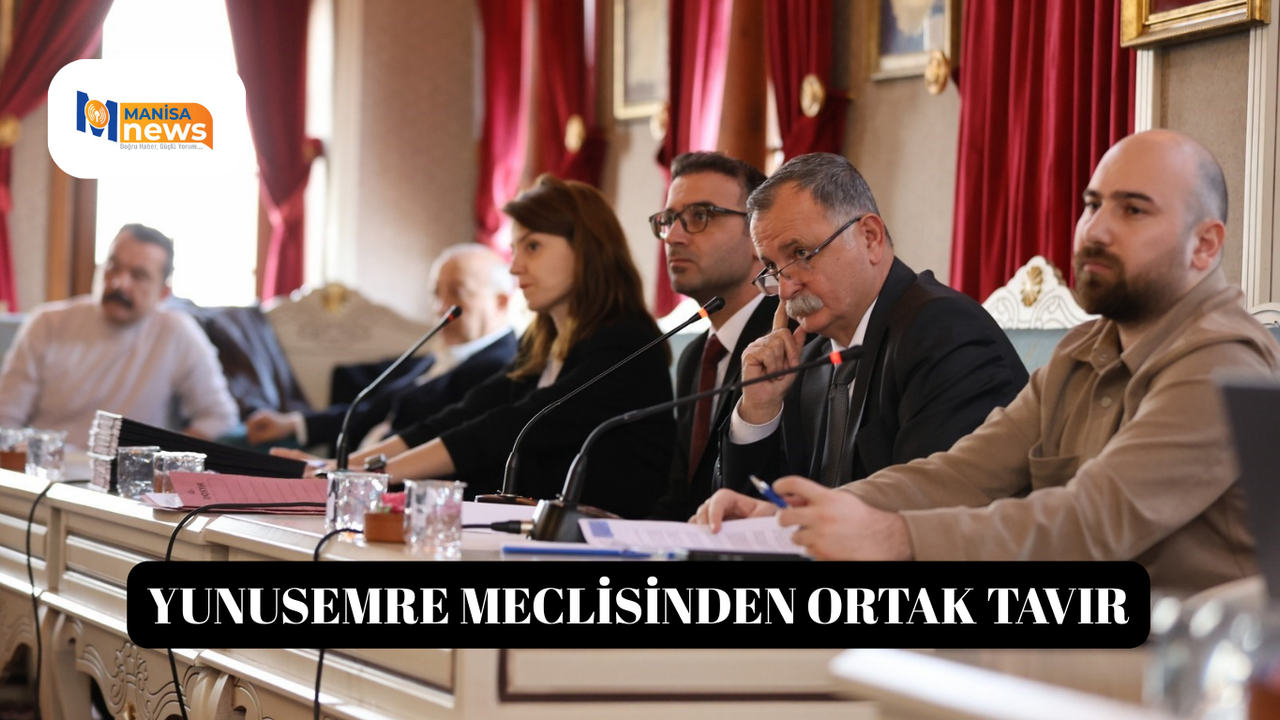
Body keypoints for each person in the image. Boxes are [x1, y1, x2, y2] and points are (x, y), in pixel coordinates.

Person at [695, 130, 1280, 592]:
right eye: (1092, 204)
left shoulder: (1221, 362)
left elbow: (1092, 522)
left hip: (1180, 668)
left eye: (1133, 211)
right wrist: (788, 519)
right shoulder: (1085, 350)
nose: (1096, 229)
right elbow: (962, 473)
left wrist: (895, 536)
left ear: (1205, 245)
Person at [340, 175, 675, 518]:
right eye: (514, 250)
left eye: (533, 247)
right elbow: (466, 413)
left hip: (606, 537)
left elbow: (504, 428)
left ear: (586, 249)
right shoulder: (541, 342)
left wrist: (372, 476)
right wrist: (345, 468)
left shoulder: (627, 343)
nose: (515, 267)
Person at [717, 152, 1027, 499]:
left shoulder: (946, 332)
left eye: (801, 253)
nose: (786, 289)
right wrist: (760, 411)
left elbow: (929, 503)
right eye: (774, 268)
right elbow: (748, 516)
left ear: (869, 237)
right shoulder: (805, 361)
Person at [244, 244, 518, 452]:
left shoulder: (503, 368)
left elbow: (433, 439)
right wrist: (293, 424)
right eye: (435, 293)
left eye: (457, 292)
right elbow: (371, 410)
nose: (440, 307)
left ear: (501, 302)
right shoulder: (439, 356)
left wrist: (341, 470)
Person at [0, 224, 238, 447]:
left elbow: (220, 418)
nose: (118, 283)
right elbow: (5, 417)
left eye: (138, 275)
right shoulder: (48, 323)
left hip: (131, 473)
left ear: (163, 292)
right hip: (49, 467)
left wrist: (165, 459)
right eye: (112, 266)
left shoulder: (178, 333)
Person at [646, 152, 775, 521]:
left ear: (757, 235)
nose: (673, 237)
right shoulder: (696, 356)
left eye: (700, 216)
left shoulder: (789, 340)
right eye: (669, 220)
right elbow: (681, 499)